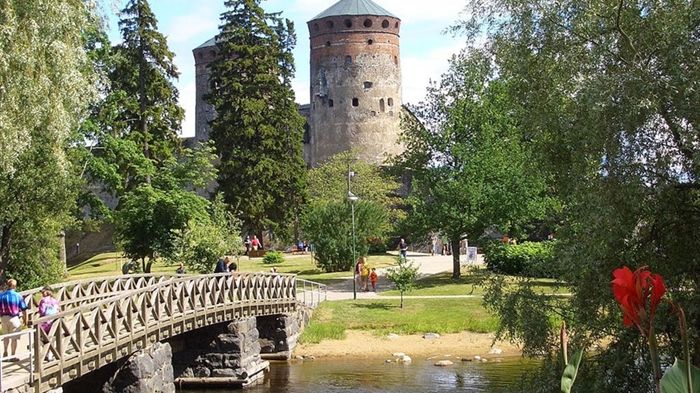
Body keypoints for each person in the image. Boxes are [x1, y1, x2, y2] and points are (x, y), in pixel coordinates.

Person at [0, 279, 28, 361]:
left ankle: (5, 353)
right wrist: (25, 319)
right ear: (14, 286)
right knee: (14, 338)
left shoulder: (1, 296)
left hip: (3, 318)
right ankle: (12, 355)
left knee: (6, 337)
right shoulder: (17, 296)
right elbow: (24, 309)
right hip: (14, 318)